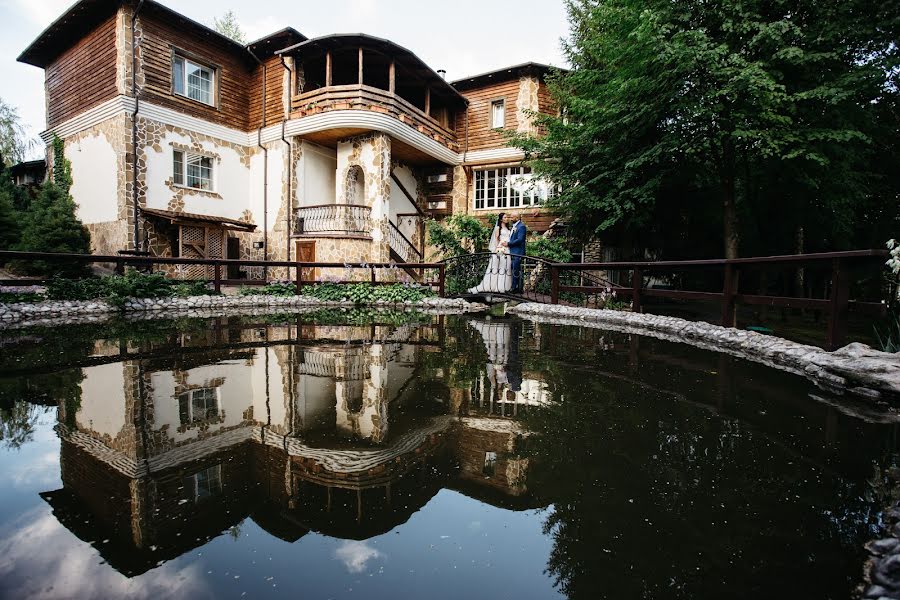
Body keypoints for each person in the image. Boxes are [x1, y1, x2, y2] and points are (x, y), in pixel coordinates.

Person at [468, 213, 513, 293]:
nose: (507, 219)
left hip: (507, 249)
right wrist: (498, 249)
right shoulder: (498, 228)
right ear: (501, 219)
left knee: (506, 267)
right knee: (499, 267)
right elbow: (496, 240)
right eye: (505, 217)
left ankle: (505, 286)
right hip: (501, 248)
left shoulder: (508, 228)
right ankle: (495, 286)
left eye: (507, 217)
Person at [506, 212, 527, 293]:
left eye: (512, 217)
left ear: (517, 218)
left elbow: (520, 239)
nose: (510, 219)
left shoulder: (521, 227)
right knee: (515, 270)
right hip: (513, 252)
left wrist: (508, 244)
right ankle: (516, 287)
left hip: (518, 252)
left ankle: (516, 288)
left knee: (516, 270)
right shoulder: (514, 226)